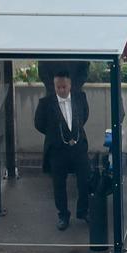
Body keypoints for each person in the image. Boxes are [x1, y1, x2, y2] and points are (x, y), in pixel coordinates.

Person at [33, 73, 89, 231]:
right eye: (58, 87)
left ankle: (83, 210)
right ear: (54, 87)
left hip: (78, 147)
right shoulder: (46, 103)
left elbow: (84, 115)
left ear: (70, 85)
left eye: (64, 87)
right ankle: (63, 214)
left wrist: (74, 133)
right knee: (59, 184)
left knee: (85, 179)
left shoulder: (80, 98)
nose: (62, 90)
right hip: (57, 149)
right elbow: (39, 123)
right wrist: (55, 135)